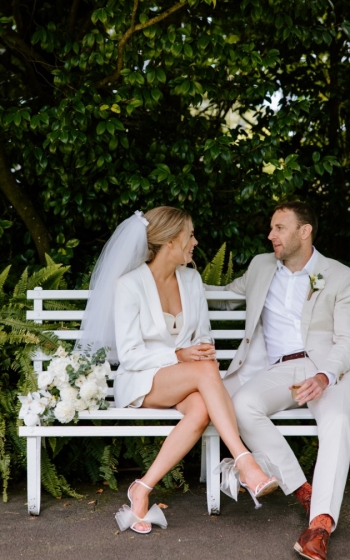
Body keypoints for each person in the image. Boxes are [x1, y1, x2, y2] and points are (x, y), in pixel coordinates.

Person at [78, 206, 278, 535]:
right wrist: (178, 354)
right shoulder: (129, 285)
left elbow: (203, 335)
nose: (195, 242)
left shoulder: (191, 279)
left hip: (187, 376)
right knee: (205, 371)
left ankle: (141, 488)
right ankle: (244, 462)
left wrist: (197, 349)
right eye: (190, 236)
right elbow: (128, 356)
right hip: (142, 380)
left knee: (201, 406)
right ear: (170, 241)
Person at [213, 201, 350, 560]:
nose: (271, 235)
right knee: (242, 404)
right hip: (281, 369)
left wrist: (325, 375)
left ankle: (320, 528)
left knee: (338, 422)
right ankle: (304, 491)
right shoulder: (262, 266)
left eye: (279, 227)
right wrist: (173, 277)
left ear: (304, 231)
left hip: (330, 370)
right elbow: (224, 295)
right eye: (271, 228)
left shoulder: (340, 276)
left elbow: (348, 340)